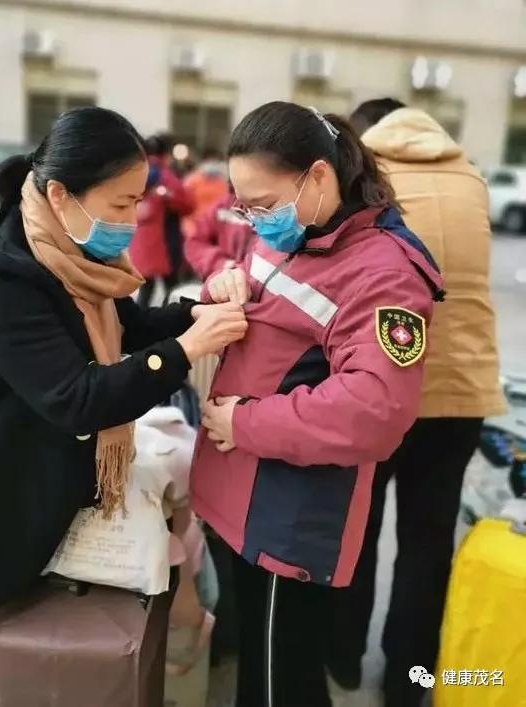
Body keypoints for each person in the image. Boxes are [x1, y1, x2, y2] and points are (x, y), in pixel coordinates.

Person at [0, 107, 247, 707]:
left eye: (138, 202)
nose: (131, 221)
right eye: (120, 205)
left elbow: (132, 325)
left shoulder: (69, 257)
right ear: (60, 193)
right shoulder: (0, 276)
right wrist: (185, 351)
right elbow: (77, 399)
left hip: (14, 501)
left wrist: (201, 309)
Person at [189, 101, 444, 707]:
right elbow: (272, 310)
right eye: (243, 206)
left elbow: (373, 408)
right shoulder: (302, 233)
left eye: (264, 204)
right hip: (244, 491)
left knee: (284, 679)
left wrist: (244, 422)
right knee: (261, 656)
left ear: (320, 177)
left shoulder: (385, 271)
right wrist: (226, 283)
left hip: (290, 512)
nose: (254, 221)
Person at [327, 99, 506, 706]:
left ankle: (343, 658)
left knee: (358, 528)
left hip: (384, 384)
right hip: (461, 392)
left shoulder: (365, 175)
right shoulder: (472, 175)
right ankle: (409, 682)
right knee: (428, 542)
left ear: (366, 128)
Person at [130, 133, 194, 307]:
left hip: (140, 241)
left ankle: (139, 326)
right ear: (166, 154)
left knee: (146, 288)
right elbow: (187, 205)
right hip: (165, 242)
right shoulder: (166, 176)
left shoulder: (133, 174)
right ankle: (167, 322)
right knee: (172, 287)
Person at [183, 189, 255, 281]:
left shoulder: (274, 214)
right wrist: (222, 264)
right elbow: (195, 243)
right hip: (222, 279)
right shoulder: (222, 207)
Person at [183, 148, 229, 223]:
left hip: (217, 224)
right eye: (210, 161)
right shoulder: (192, 181)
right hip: (196, 223)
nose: (212, 164)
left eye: (215, 162)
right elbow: (185, 203)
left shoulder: (224, 182)